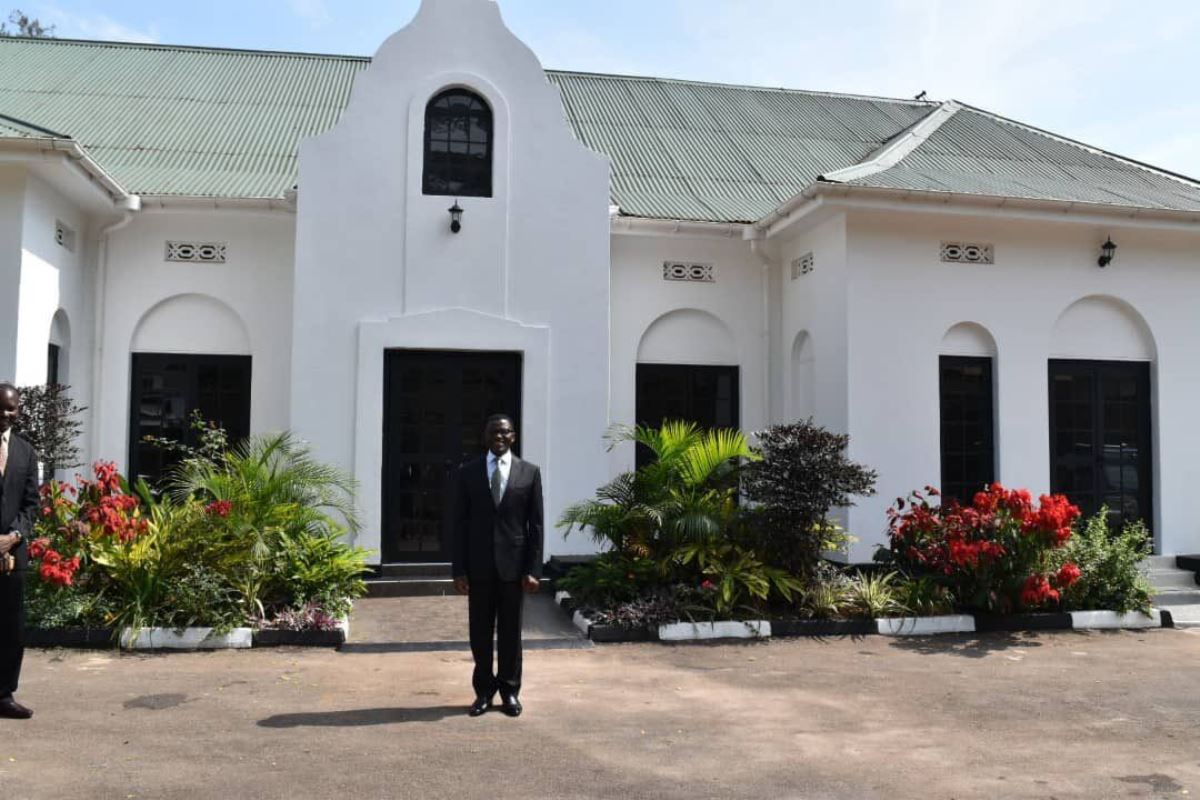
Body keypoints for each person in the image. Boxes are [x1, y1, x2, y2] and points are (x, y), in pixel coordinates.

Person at [451, 413, 543, 718]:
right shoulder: (468, 472)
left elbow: (536, 526)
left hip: (514, 569)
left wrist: (533, 569)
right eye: (493, 432)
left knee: (510, 634)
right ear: (485, 436)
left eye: (504, 432)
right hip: (478, 568)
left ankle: (509, 692)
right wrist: (459, 569)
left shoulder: (529, 473)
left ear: (513, 436)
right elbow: (459, 524)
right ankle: (483, 692)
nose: (499, 437)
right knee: (479, 633)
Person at [0, 383, 42, 720]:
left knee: (10, 628)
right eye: (0, 407)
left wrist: (14, 535)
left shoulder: (26, 453)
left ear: (19, 411)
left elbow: (31, 504)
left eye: (11, 408)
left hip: (11, 555)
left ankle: (3, 695)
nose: (5, 413)